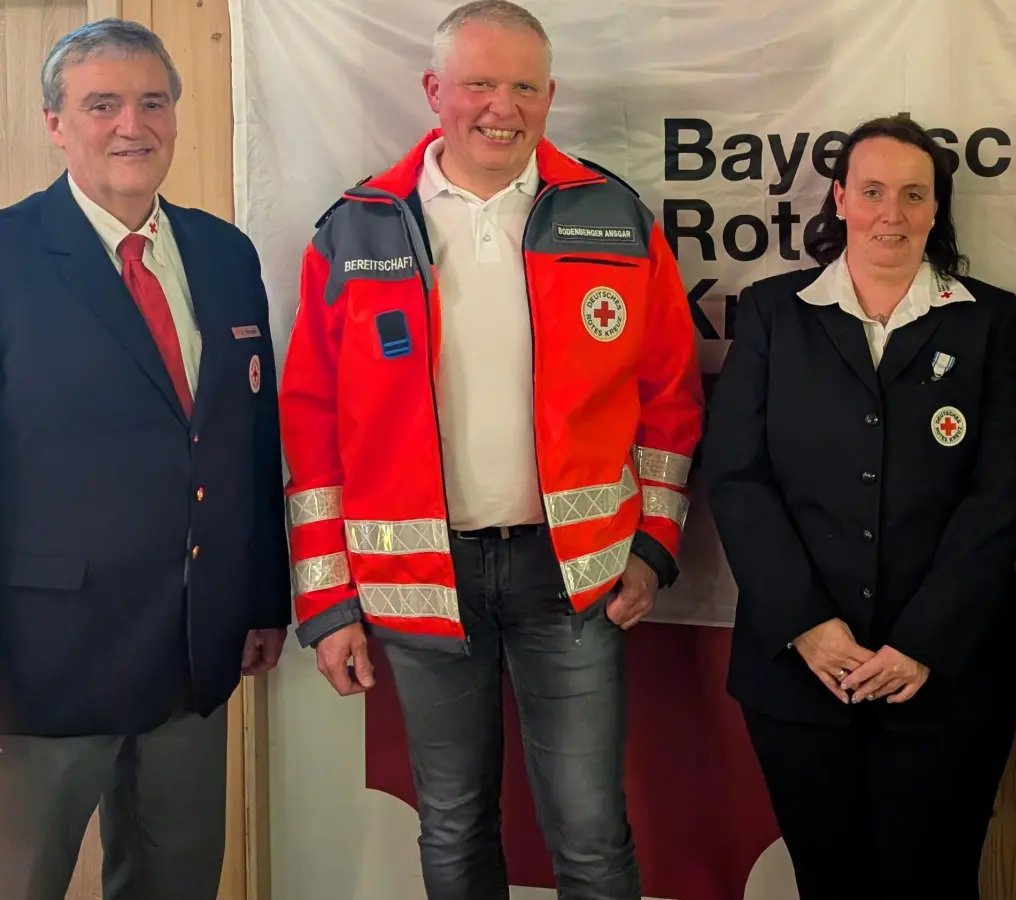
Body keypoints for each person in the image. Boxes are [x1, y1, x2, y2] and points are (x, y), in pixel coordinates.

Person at [277, 1, 702, 897]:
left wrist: (655, 548)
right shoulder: (357, 227)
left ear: (551, 96)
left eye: (522, 85)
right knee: (455, 828)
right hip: (420, 582)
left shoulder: (613, 217)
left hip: (571, 579)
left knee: (590, 834)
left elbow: (670, 396)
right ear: (435, 91)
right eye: (478, 83)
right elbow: (311, 422)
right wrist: (326, 600)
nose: (500, 106)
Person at [701, 113, 1016, 899]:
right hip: (799, 675)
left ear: (934, 210)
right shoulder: (773, 312)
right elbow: (737, 479)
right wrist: (808, 628)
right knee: (830, 882)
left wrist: (923, 641)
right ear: (841, 200)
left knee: (937, 881)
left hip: (945, 678)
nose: (892, 212)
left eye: (913, 195)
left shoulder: (989, 320)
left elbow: (1001, 495)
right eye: (874, 191)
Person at [0, 18, 290, 900]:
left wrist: (263, 598)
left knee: (177, 883)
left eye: (153, 101)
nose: (134, 125)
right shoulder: (7, 256)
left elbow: (251, 439)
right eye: (102, 105)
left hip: (194, 658)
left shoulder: (224, 254)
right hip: (41, 666)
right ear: (55, 122)